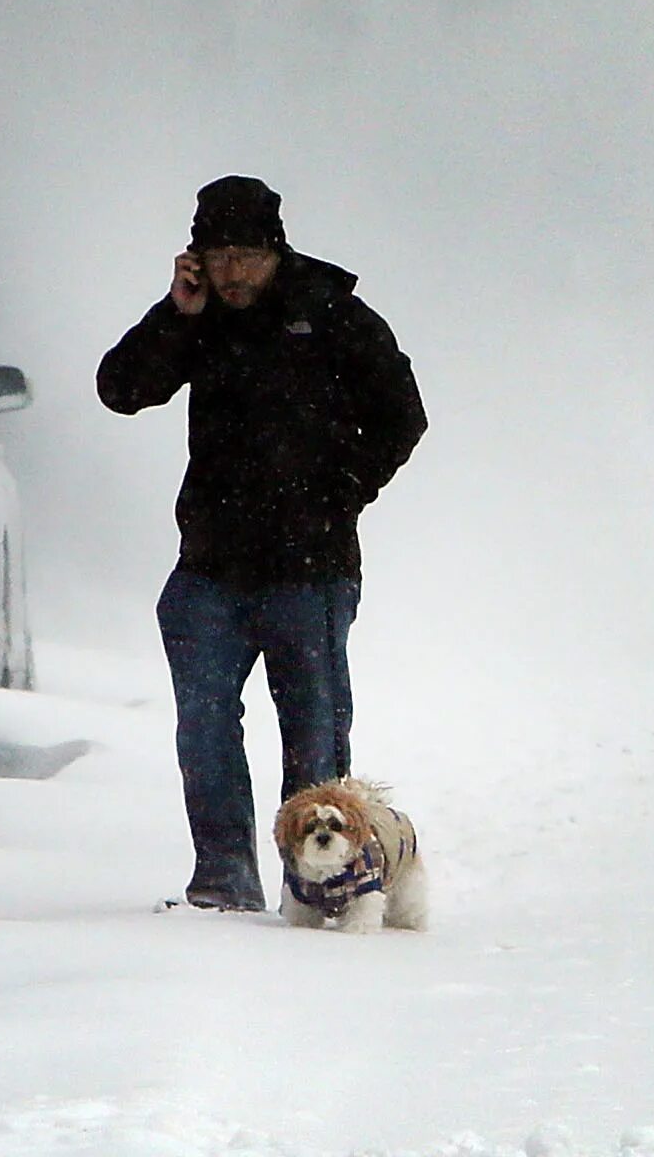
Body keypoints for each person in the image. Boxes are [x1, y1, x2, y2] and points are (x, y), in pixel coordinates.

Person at [97, 176, 427, 912]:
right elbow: (120, 389)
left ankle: (315, 893)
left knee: (314, 736)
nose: (233, 274)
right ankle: (222, 883)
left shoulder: (332, 313)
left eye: (246, 256)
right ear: (195, 261)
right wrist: (174, 316)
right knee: (205, 727)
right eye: (218, 258)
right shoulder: (198, 318)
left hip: (310, 572)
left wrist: (340, 493)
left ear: (274, 251)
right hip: (210, 569)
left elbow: (404, 414)